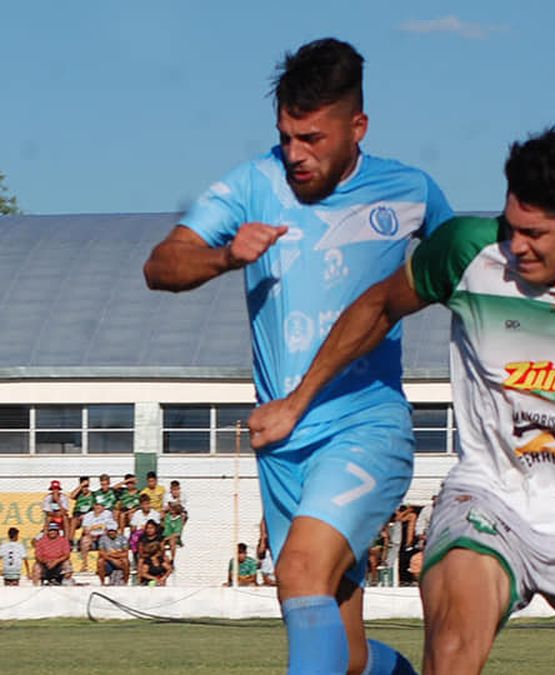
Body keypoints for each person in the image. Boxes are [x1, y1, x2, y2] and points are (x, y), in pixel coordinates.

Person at [248, 128, 555, 674]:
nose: (517, 246)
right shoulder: (466, 252)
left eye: (534, 233)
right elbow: (378, 307)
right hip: (489, 500)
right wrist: (297, 401)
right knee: (456, 649)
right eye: (510, 226)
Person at [145, 37, 452, 675]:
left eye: (311, 138)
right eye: (286, 136)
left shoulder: (412, 192)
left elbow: (470, 273)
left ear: (357, 126)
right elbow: (161, 265)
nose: (295, 154)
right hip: (280, 443)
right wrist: (225, 255)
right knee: (348, 657)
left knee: (300, 570)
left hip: (366, 428)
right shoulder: (251, 185)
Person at [79, 501, 116, 573]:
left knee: (105, 540)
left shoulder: (107, 514)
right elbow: (86, 529)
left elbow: (110, 527)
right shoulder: (88, 515)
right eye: (97, 505)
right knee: (84, 541)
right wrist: (91, 535)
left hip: (103, 536)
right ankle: (84, 564)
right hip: (91, 537)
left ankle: (100, 566)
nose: (98, 507)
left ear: (104, 507)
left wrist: (101, 534)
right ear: (94, 506)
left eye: (100, 505)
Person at [137, 520, 172, 586]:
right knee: (140, 560)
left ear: (155, 528)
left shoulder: (159, 537)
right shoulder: (142, 538)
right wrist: (149, 555)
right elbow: (140, 552)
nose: (149, 530)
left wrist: (157, 555)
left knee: (166, 558)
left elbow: (162, 550)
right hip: (146, 556)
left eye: (151, 528)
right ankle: (139, 581)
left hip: (157, 555)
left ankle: (163, 578)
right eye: (148, 528)